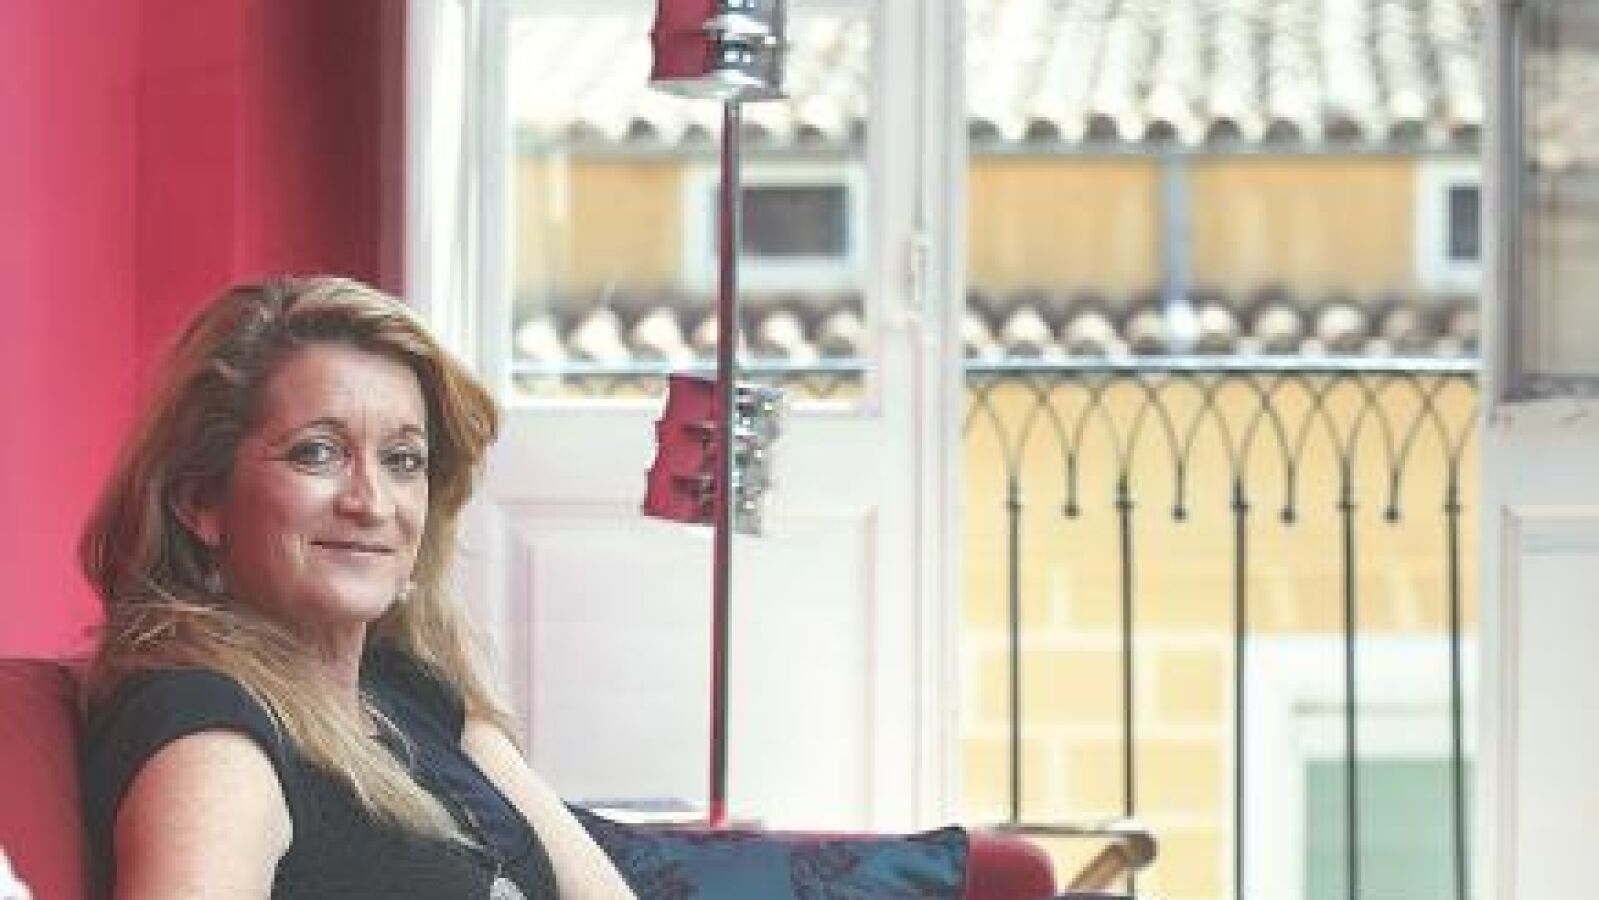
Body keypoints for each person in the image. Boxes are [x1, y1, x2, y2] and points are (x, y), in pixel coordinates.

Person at [78, 277, 637, 899]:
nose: (371, 504)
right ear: (201, 500)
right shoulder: (214, 740)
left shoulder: (404, 691)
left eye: (402, 460)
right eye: (317, 453)